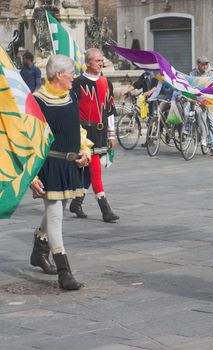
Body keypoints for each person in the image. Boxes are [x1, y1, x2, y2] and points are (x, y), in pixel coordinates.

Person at [29, 54, 92, 290]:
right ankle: (64, 272)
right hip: (49, 166)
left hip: (70, 164)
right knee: (56, 215)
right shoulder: (37, 101)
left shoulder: (71, 95)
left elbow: (75, 128)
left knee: (57, 208)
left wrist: (84, 150)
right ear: (58, 75)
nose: (74, 77)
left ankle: (39, 250)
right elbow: (29, 139)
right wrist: (31, 177)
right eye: (71, 73)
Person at [70, 48, 119, 222]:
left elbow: (110, 110)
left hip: (101, 131)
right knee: (95, 169)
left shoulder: (107, 82)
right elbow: (71, 110)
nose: (100, 63)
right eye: (97, 60)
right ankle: (105, 209)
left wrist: (112, 135)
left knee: (89, 171)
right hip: (84, 132)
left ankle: (77, 201)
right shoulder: (77, 83)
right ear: (88, 62)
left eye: (101, 60)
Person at [188, 56, 213, 156]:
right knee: (196, 116)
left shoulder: (212, 72)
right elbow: (191, 87)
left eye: (207, 64)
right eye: (203, 64)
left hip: (209, 100)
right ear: (198, 64)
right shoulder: (192, 73)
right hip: (197, 99)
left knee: (211, 122)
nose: (205, 66)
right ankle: (198, 135)